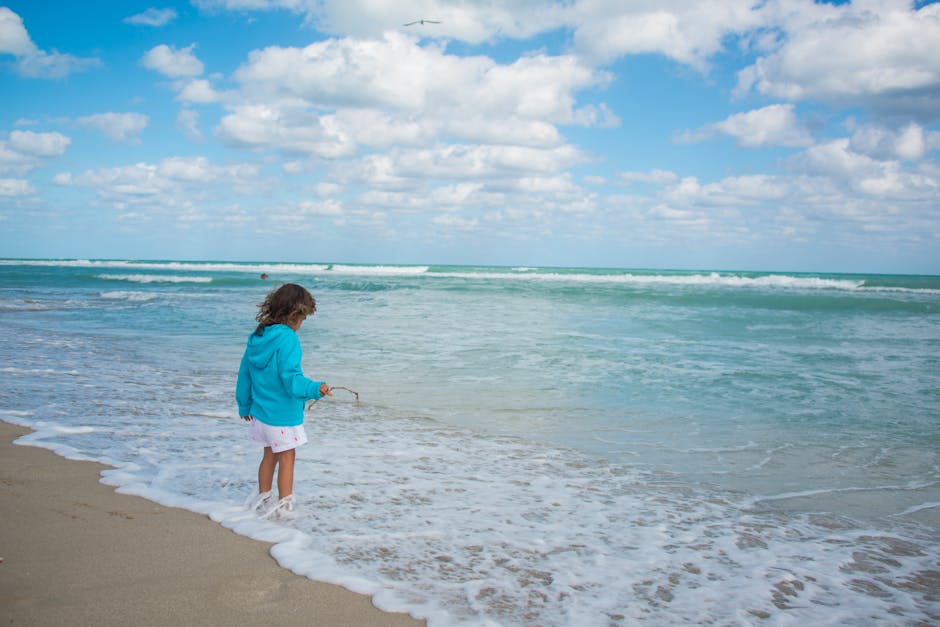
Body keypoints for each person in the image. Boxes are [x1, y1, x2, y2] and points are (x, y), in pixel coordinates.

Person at [236, 283, 330, 518]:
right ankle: (285, 507)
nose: (301, 324)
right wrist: (315, 388)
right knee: (287, 458)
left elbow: (245, 373)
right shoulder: (287, 339)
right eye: (303, 318)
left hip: (260, 413)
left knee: (269, 456)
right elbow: (291, 379)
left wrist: (244, 404)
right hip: (282, 415)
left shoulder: (258, 336)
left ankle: (263, 498)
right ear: (294, 315)